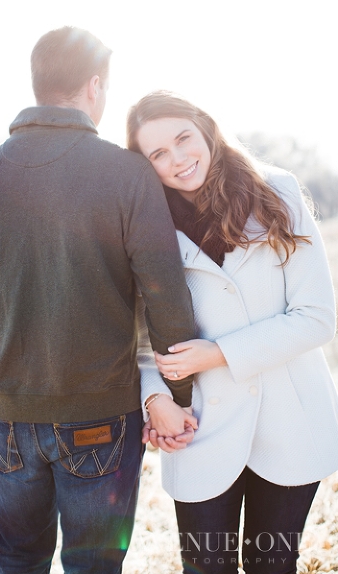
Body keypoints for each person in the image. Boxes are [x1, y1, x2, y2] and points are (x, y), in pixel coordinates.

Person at [0, 28, 198, 574]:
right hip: (100, 418)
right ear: (94, 86)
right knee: (94, 565)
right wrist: (176, 392)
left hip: (8, 419)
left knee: (15, 558)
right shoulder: (127, 174)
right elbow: (165, 295)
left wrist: (0, 361)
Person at [126, 90, 338, 574]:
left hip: (289, 421)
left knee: (272, 565)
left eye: (183, 138)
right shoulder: (144, 224)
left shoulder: (277, 193)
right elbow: (137, 334)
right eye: (158, 153)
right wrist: (155, 399)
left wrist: (217, 354)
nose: (178, 159)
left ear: (206, 127)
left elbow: (316, 317)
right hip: (201, 426)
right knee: (205, 566)